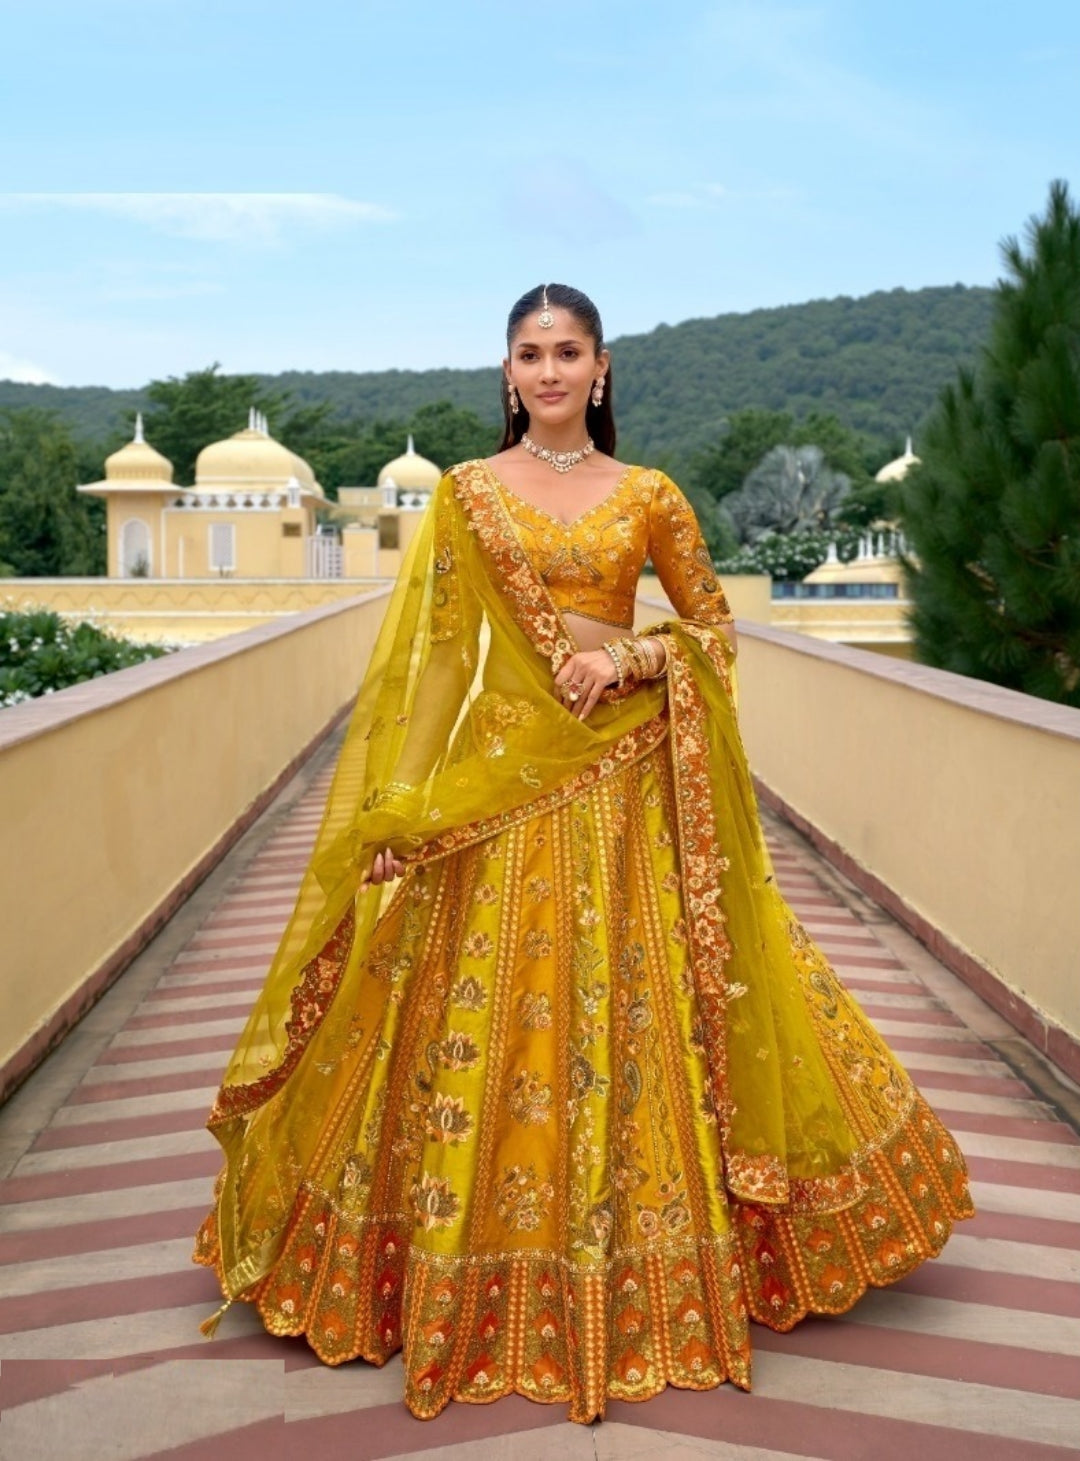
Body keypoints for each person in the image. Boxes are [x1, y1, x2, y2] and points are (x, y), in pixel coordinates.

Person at [193, 283, 974, 1424]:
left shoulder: (648, 494)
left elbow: (714, 631)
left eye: (568, 352)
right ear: (508, 372)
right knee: (467, 1007)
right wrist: (400, 809)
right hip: (501, 784)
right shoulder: (468, 494)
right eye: (530, 353)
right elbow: (439, 664)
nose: (550, 371)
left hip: (622, 783)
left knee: (643, 998)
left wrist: (631, 660)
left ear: (600, 367)